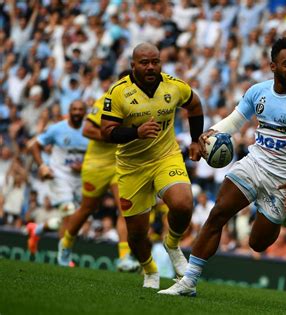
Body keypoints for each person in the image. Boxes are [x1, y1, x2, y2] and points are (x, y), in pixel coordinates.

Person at [159, 37, 286, 296]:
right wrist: (211, 133)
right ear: (273, 66)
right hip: (254, 164)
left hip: (283, 180)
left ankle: (282, 217)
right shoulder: (258, 91)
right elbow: (237, 119)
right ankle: (189, 281)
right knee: (218, 213)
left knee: (257, 244)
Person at [100, 42, 204, 289]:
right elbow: (107, 132)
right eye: (144, 63)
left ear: (160, 63)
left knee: (183, 203)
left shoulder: (174, 86)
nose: (150, 67)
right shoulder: (117, 92)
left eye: (155, 62)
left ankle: (172, 243)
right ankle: (149, 269)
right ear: (132, 65)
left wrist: (195, 140)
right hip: (132, 166)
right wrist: (136, 132)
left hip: (165, 157)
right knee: (136, 235)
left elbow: (195, 104)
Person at [56, 70, 140, 272]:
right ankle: (65, 245)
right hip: (96, 165)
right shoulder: (106, 101)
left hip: (120, 165)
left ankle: (123, 257)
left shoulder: (138, 106)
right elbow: (87, 130)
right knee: (86, 209)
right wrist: (115, 136)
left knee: (125, 209)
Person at [27, 100, 89, 252]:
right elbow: (35, 145)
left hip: (79, 179)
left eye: (80, 109)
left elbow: (95, 155)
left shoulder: (89, 131)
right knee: (69, 212)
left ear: (85, 112)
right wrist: (42, 166)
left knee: (72, 219)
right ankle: (64, 256)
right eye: (74, 109)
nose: (77, 112)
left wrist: (84, 166)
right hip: (59, 176)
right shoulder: (57, 129)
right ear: (69, 110)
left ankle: (37, 230)